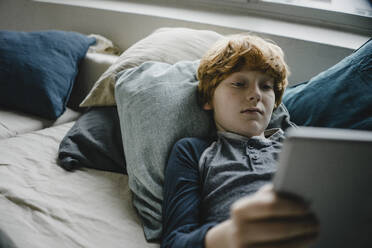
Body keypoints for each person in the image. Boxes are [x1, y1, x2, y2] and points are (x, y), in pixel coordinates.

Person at [161, 34, 319, 248]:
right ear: (208, 98)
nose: (255, 95)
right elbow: (175, 241)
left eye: (266, 87)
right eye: (238, 83)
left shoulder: (301, 147)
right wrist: (230, 235)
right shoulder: (193, 151)